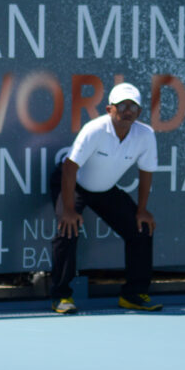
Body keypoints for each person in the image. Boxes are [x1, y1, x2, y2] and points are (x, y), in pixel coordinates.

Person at [50, 82, 162, 314]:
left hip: (105, 190)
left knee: (141, 228)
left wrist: (142, 209)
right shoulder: (95, 130)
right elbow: (70, 168)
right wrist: (69, 209)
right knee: (67, 228)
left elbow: (146, 172)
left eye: (133, 106)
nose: (127, 110)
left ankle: (133, 295)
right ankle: (62, 296)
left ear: (139, 113)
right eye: (122, 105)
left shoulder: (145, 135)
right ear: (109, 108)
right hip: (73, 184)